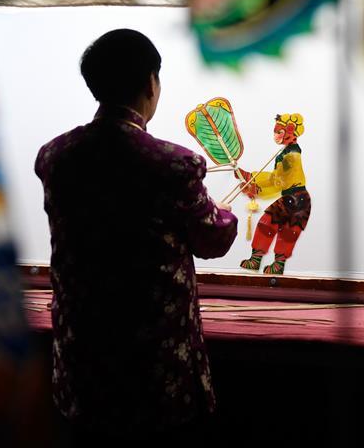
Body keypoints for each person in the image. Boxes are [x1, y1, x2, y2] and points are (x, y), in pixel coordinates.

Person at [34, 29, 238, 443]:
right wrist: (226, 213)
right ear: (150, 83)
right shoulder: (173, 164)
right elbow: (212, 239)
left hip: (82, 364)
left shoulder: (55, 156)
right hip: (154, 369)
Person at [239, 113, 311, 275]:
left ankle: (275, 264)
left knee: (287, 230)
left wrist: (255, 187)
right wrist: (251, 179)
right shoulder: (286, 154)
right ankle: (257, 260)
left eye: (279, 132)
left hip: (297, 198)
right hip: (292, 197)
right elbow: (274, 179)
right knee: (268, 223)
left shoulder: (292, 157)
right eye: (275, 132)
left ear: (290, 131)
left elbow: (278, 182)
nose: (275, 136)